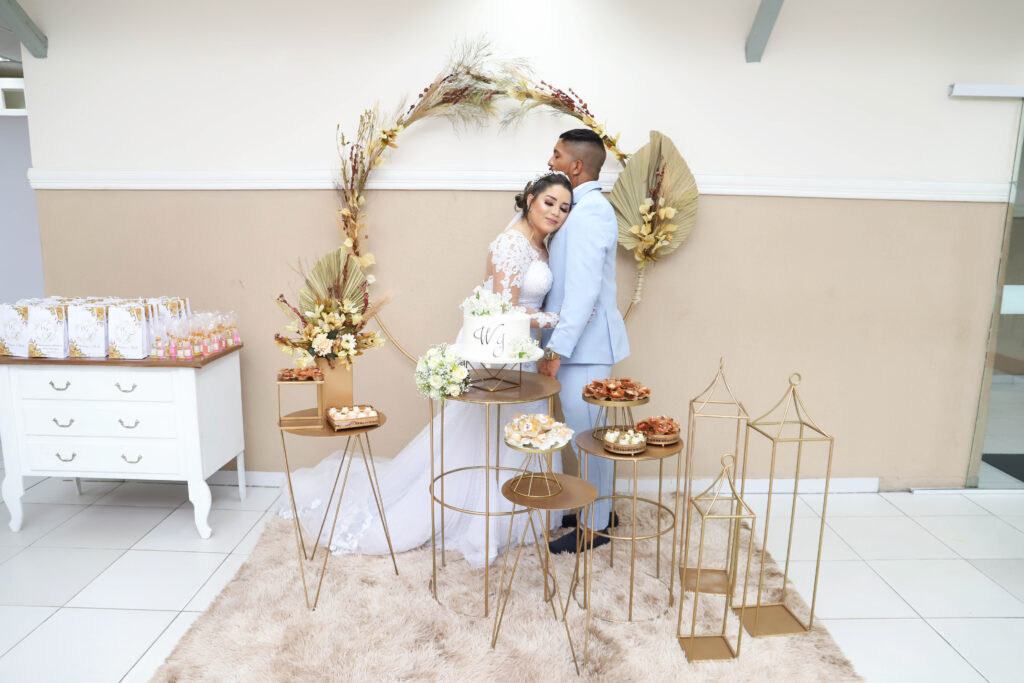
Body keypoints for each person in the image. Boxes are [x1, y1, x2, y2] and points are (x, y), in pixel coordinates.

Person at [279, 172, 573, 568]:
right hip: (499, 350)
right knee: (488, 434)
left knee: (511, 434)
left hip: (521, 350)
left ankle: (507, 514)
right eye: (549, 203)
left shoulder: (539, 244)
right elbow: (505, 308)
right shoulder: (512, 243)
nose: (555, 213)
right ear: (531, 198)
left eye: (564, 208)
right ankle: (479, 520)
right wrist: (556, 319)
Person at [538, 129, 631, 554]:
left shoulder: (591, 212)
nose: (550, 160)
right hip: (581, 346)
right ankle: (600, 510)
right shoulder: (580, 208)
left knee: (590, 440)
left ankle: (595, 527)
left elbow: (583, 293)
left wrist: (556, 350)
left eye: (556, 154)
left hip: (584, 348)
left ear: (576, 166)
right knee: (590, 436)